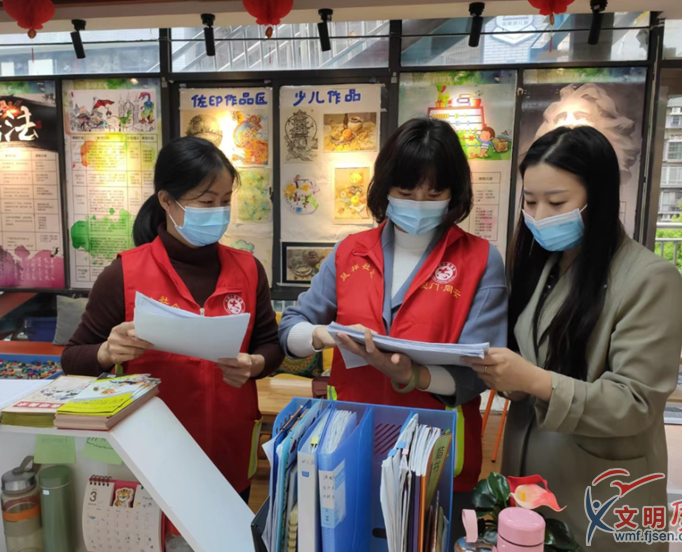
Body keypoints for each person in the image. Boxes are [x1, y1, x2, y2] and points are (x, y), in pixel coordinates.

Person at [279, 117, 508, 544]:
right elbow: (292, 325)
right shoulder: (350, 252)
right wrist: (323, 335)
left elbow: (483, 369)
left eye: (434, 192)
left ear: (453, 194)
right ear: (384, 189)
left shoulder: (480, 260)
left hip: (435, 450)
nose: (419, 202)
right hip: (350, 442)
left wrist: (412, 376)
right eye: (405, 191)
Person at [466, 126, 682, 552]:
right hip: (530, 485)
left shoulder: (651, 279)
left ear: (598, 199)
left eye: (558, 202)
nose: (541, 215)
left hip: (601, 493)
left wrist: (532, 380)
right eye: (530, 202)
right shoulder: (542, 267)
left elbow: (636, 402)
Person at [62, 136, 284, 501]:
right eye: (206, 202)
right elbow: (72, 358)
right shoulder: (125, 273)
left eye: (226, 201)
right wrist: (106, 352)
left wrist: (256, 363)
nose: (218, 211)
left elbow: (270, 346)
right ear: (167, 201)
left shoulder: (247, 269)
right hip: (152, 449)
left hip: (231, 445)